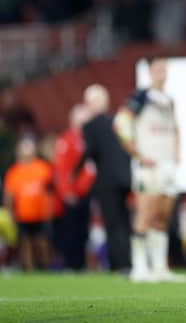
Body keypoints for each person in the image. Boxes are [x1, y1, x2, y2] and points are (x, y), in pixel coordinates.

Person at [113, 56, 185, 283]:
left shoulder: (168, 100)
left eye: (164, 68)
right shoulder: (140, 97)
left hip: (167, 165)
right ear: (150, 72)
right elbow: (121, 123)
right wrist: (137, 154)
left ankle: (159, 268)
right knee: (145, 214)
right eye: (157, 69)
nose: (161, 72)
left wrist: (176, 154)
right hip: (148, 165)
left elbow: (175, 128)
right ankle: (139, 267)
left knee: (163, 216)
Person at [82, 84, 131, 272]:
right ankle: (128, 262)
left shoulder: (90, 126)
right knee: (124, 222)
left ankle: (118, 264)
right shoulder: (117, 122)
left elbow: (91, 152)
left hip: (106, 181)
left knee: (112, 223)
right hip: (124, 179)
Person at [53, 104, 95, 270]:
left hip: (87, 193)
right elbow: (61, 169)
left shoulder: (89, 138)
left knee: (84, 231)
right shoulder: (67, 139)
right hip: (72, 194)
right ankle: (70, 264)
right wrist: (66, 192)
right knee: (71, 230)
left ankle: (80, 263)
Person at [3, 136, 54, 270]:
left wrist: (49, 210)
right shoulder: (13, 172)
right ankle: (27, 268)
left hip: (40, 214)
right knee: (24, 242)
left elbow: (50, 191)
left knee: (42, 242)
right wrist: (10, 212)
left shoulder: (43, 168)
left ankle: (45, 266)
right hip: (22, 214)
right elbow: (9, 195)